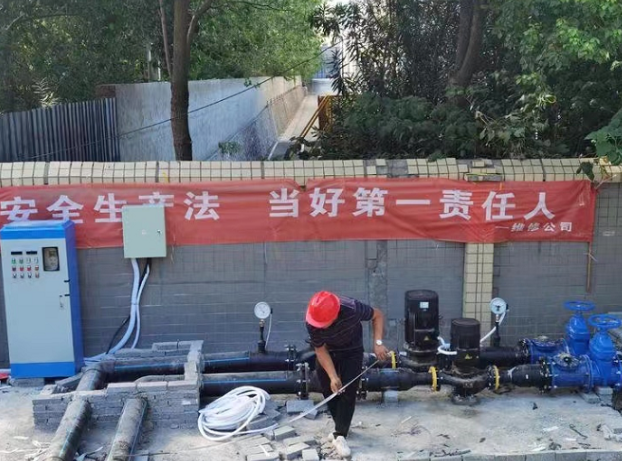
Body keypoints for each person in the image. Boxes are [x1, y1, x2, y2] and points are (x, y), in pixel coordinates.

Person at [305, 291, 390, 458]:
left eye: (324, 323)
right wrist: (333, 376)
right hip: (328, 351)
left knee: (348, 392)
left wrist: (378, 343)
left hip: (352, 350)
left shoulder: (352, 308)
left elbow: (378, 315)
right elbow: (320, 350)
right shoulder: (312, 321)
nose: (320, 326)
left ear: (335, 315)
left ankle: (340, 435)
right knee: (328, 388)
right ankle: (341, 429)